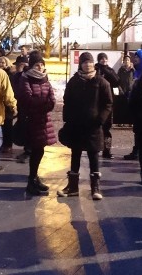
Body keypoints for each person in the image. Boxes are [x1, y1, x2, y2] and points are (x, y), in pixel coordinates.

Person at [58, 52, 112, 200]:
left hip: (93, 126)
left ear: (93, 64)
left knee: (93, 155)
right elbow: (67, 101)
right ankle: (73, 187)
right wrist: (67, 120)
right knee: (75, 155)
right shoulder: (74, 81)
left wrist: (100, 120)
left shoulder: (101, 82)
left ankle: (95, 187)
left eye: (89, 62)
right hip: (76, 125)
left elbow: (108, 104)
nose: (87, 65)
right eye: (84, 62)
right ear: (80, 64)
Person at [17, 51, 56, 196]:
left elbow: (52, 99)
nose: (40, 68)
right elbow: (27, 99)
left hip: (43, 120)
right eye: (37, 65)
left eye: (41, 64)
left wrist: (44, 105)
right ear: (31, 66)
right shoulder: (25, 79)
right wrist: (43, 104)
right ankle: (30, 182)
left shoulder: (45, 78)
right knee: (35, 150)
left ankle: (34, 178)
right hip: (32, 121)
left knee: (40, 150)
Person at [124, 49, 142, 160]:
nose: (135, 59)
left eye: (137, 57)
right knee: (138, 131)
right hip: (137, 108)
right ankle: (137, 151)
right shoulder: (134, 71)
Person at [95, 53, 119, 159]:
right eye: (101, 59)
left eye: (105, 58)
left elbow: (117, 81)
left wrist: (106, 70)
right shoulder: (95, 69)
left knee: (107, 128)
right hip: (96, 102)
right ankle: (94, 148)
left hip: (108, 102)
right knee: (96, 127)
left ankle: (107, 150)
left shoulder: (110, 70)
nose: (104, 60)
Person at [12, 56, 33, 163]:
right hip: (19, 105)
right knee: (22, 128)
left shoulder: (29, 76)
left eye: (19, 65)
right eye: (17, 65)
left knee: (28, 129)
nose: (17, 67)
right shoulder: (16, 76)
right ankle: (27, 149)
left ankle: (29, 151)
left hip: (28, 106)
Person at [0, 56, 16, 154]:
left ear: (7, 63)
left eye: (3, 62)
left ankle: (8, 144)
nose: (1, 64)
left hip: (7, 103)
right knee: (0, 125)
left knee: (8, 125)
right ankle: (2, 143)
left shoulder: (11, 75)